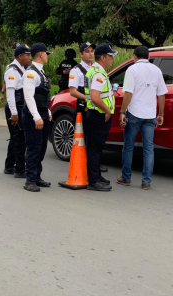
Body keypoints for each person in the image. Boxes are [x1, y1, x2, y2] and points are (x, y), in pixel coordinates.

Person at [117, 46, 167, 190]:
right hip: (150, 115)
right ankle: (146, 182)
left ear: (134, 57)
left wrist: (122, 111)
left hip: (134, 113)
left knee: (128, 147)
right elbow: (161, 94)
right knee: (149, 149)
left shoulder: (132, 70)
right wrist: (161, 114)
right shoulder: (157, 70)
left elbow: (128, 94)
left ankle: (126, 178)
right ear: (148, 57)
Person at [68, 42, 109, 173]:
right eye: (87, 51)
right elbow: (73, 91)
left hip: (94, 109)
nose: (90, 53)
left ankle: (94, 165)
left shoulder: (96, 69)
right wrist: (90, 98)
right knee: (84, 139)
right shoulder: (76, 70)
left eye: (92, 51)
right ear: (81, 54)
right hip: (83, 110)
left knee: (94, 140)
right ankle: (84, 166)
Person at [84, 43, 117, 191]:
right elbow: (95, 97)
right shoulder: (99, 74)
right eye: (110, 56)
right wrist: (107, 111)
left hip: (93, 113)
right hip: (99, 115)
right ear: (103, 57)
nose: (112, 59)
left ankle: (95, 175)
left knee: (94, 147)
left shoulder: (93, 70)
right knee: (95, 149)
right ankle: (93, 180)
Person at [22, 42, 53, 192]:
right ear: (41, 54)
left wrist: (47, 112)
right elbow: (28, 97)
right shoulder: (31, 73)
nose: (47, 56)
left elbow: (43, 95)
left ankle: (37, 176)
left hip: (42, 113)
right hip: (33, 115)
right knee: (34, 147)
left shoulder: (40, 72)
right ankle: (30, 179)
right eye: (46, 53)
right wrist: (36, 117)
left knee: (41, 148)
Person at [3, 44, 30, 178]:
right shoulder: (12, 70)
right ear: (20, 56)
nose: (29, 57)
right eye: (27, 55)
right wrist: (14, 113)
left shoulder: (21, 68)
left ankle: (9, 166)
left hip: (20, 106)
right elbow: (10, 94)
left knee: (16, 137)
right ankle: (20, 169)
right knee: (19, 138)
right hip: (15, 107)